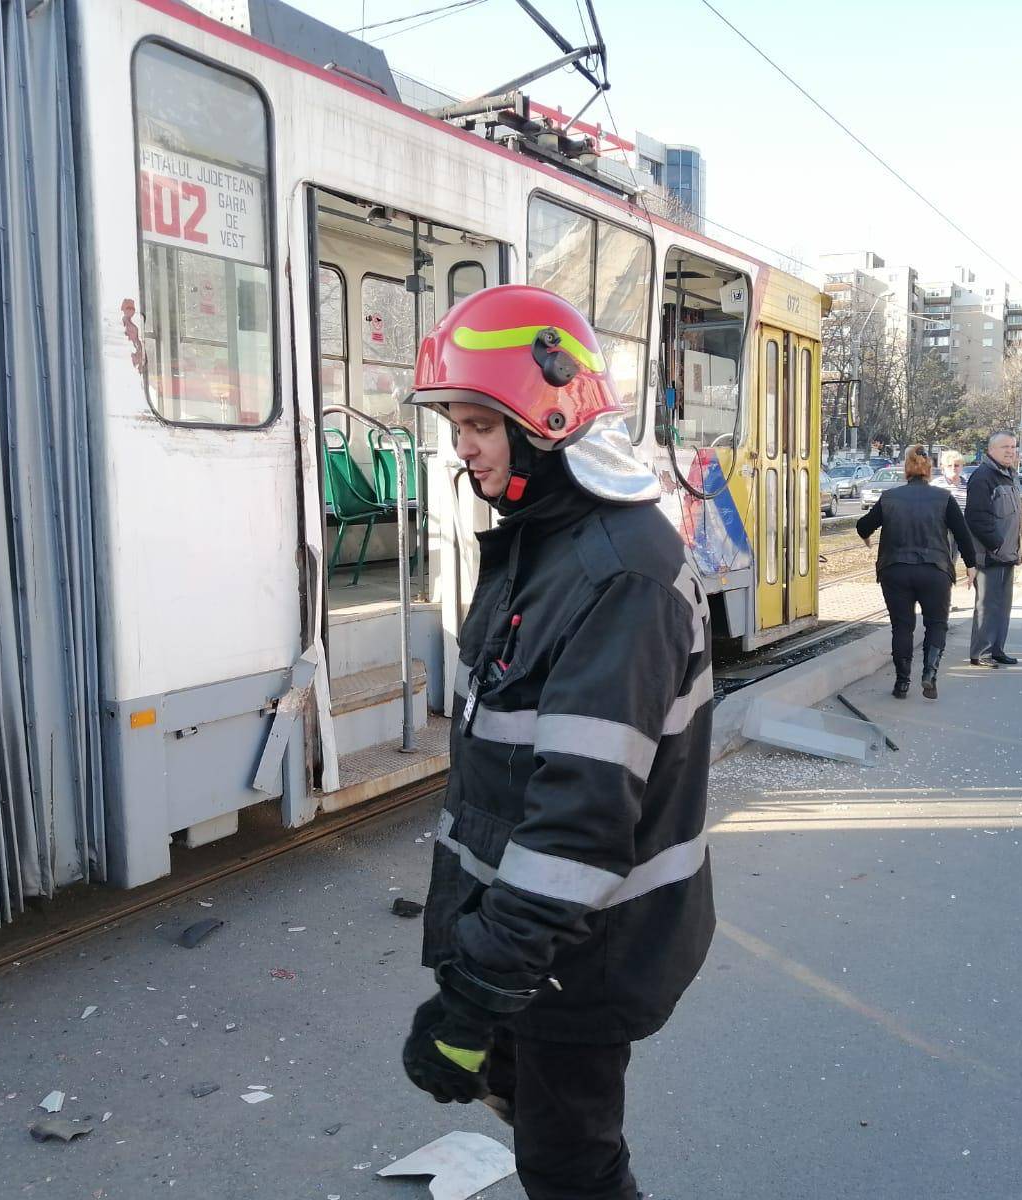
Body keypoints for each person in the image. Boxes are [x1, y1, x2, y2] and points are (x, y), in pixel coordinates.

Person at [399, 285, 715, 1200]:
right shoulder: (546, 545)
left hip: (585, 950)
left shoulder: (617, 573)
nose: (460, 446)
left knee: (570, 1163)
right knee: (545, 1130)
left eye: (476, 424)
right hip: (541, 944)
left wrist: (475, 996)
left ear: (543, 422)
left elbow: (577, 823)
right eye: (455, 423)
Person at [855, 445, 977, 699]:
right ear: (929, 470)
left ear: (906, 469)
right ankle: (929, 674)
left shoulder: (889, 497)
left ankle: (901, 683)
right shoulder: (944, 498)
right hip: (935, 571)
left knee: (902, 626)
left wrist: (866, 536)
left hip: (895, 570)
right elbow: (963, 534)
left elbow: (863, 524)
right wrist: (971, 566)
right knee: (936, 624)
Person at [964, 430, 1022, 667]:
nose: (1010, 451)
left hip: (1007, 553)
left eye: (1013, 447)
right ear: (991, 450)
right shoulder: (983, 477)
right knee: (987, 607)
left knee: (1002, 606)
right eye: (1005, 447)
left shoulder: (1009, 475)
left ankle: (997, 649)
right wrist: (996, 544)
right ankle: (981, 652)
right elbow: (976, 517)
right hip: (990, 555)